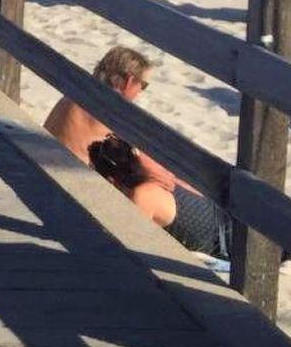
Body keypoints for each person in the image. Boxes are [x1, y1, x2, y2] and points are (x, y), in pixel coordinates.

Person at [46, 46, 232, 259]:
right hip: (78, 190)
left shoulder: (73, 97)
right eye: (143, 85)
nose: (141, 92)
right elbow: (161, 177)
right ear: (127, 81)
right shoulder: (112, 112)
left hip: (50, 176)